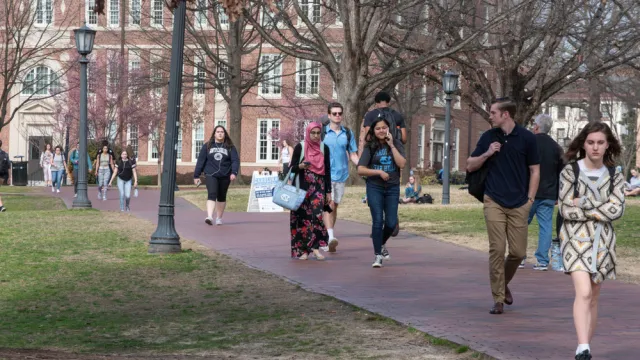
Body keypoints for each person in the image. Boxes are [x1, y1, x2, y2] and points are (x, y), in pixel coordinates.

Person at [466, 98, 540, 315]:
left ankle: (502, 283)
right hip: (493, 200)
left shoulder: (527, 138)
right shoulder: (488, 137)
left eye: (493, 112)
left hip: (519, 203)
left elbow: (535, 170)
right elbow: (469, 165)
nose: (490, 116)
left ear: (505, 114)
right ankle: (498, 298)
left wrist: (530, 200)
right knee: (497, 250)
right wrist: (487, 153)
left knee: (517, 253)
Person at [558, 122, 624, 360]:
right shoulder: (570, 172)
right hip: (574, 240)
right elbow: (565, 209)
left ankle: (585, 345)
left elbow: (617, 210)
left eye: (600, 143)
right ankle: (583, 347)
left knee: (594, 295)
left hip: (603, 241)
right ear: (583, 144)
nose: (595, 147)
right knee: (584, 292)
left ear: (608, 146)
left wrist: (583, 202)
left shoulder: (616, 174)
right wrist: (599, 207)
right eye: (591, 142)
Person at [357, 117, 406, 268]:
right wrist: (378, 172)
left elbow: (402, 163)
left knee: (391, 224)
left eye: (384, 128)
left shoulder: (396, 143)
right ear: (373, 130)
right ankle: (378, 255)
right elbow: (360, 169)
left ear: (388, 129)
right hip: (375, 188)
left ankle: (381, 243)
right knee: (378, 221)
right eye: (378, 128)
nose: (381, 131)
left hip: (392, 188)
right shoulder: (370, 146)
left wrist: (391, 145)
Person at [522, 114, 565, 271]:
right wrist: (558, 194)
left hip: (528, 193)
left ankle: (519, 257)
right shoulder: (556, 147)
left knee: (520, 224)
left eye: (534, 124)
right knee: (545, 227)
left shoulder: (528, 143)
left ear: (537, 127)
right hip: (548, 193)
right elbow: (562, 171)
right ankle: (542, 260)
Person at [289, 122, 332, 260]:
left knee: (317, 217)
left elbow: (327, 171)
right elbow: (291, 168)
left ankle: (315, 248)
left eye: (318, 133)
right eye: (312, 133)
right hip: (302, 188)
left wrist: (328, 192)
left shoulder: (324, 148)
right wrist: (300, 166)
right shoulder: (300, 147)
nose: (315, 135)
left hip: (319, 187)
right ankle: (303, 250)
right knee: (302, 218)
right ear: (308, 133)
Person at [322, 102, 359, 253]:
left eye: (340, 113)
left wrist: (362, 167)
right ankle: (330, 237)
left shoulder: (347, 133)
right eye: (335, 113)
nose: (338, 116)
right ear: (329, 115)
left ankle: (327, 236)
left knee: (334, 206)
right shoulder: (322, 133)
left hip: (341, 174)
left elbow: (353, 154)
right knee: (328, 204)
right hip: (325, 174)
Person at [194, 125, 240, 225]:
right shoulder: (207, 146)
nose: (220, 133)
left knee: (221, 196)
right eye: (218, 132)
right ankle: (209, 217)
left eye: (222, 132)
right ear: (214, 134)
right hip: (211, 174)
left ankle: (219, 218)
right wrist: (196, 176)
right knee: (212, 193)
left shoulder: (230, 147)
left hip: (225, 174)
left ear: (225, 134)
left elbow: (235, 161)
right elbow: (201, 161)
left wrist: (234, 172)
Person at [0, 140, 9, 212]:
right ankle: (1, 206)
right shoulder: (5, 154)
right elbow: (8, 166)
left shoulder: (5, 154)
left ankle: (1, 206)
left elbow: (8, 166)